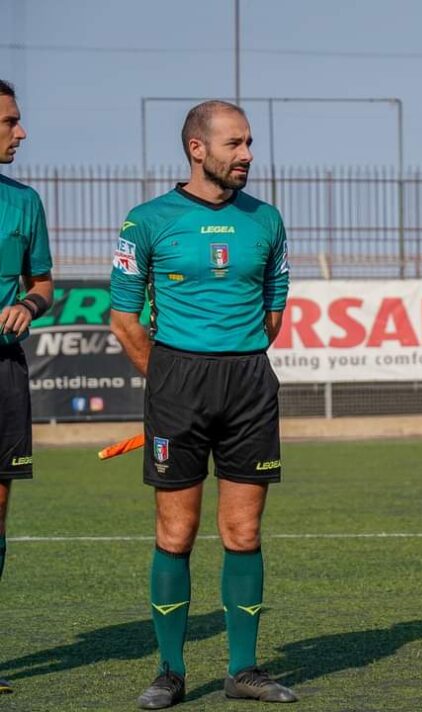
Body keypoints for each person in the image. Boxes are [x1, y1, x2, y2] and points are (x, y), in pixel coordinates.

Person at [110, 100, 297, 709]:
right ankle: (170, 670)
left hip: (247, 383)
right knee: (177, 530)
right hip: (176, 385)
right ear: (198, 148)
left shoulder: (266, 220)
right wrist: (168, 377)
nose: (246, 155)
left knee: (243, 531)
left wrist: (231, 359)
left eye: (249, 143)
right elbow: (123, 318)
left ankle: (243, 670)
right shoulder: (145, 222)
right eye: (234, 144)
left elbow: (273, 310)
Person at [0, 78, 54, 698]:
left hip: (3, 372)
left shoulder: (24, 202)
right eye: (10, 121)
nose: (22, 131)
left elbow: (41, 280)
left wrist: (30, 306)